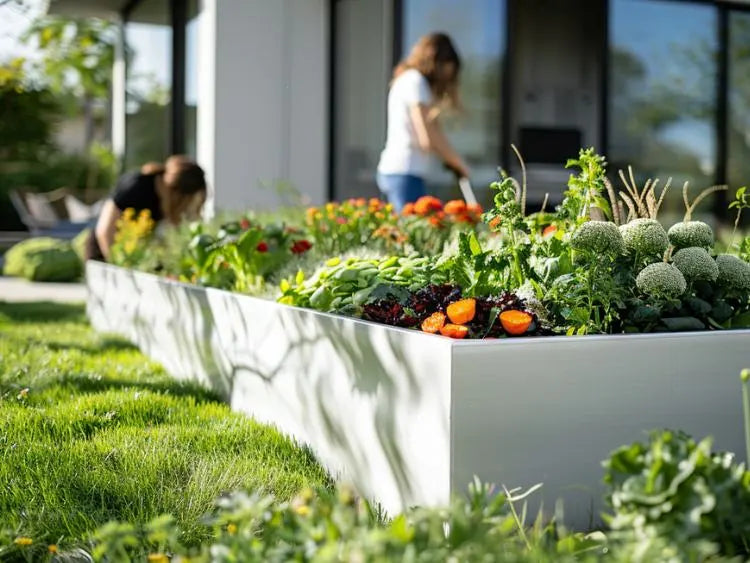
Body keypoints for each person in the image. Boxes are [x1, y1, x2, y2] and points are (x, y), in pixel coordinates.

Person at [376, 32, 470, 212]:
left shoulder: (410, 80)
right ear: (438, 62)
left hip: (401, 172)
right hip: (404, 172)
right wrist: (458, 163)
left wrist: (452, 160)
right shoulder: (415, 81)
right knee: (414, 234)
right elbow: (427, 135)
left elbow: (431, 130)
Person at [85, 155, 207, 261]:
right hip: (104, 253)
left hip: (133, 256)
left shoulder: (165, 200)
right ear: (177, 193)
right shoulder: (136, 186)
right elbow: (104, 231)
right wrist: (117, 265)